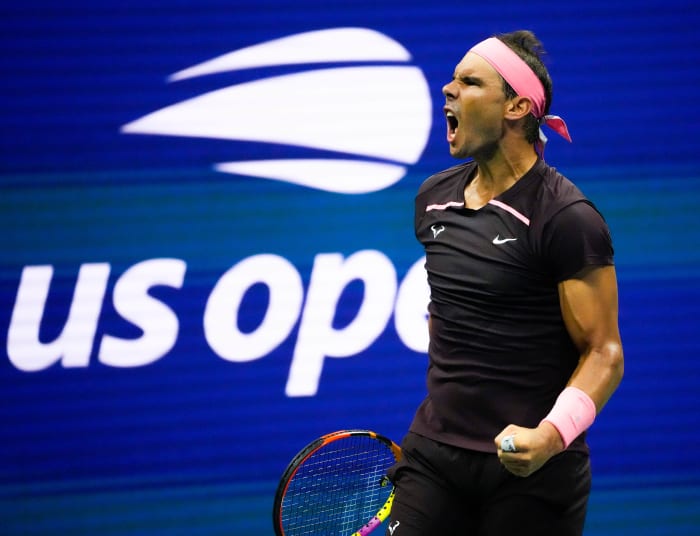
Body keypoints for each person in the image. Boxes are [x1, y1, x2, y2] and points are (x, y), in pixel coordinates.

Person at [385, 30, 624, 536]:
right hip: (435, 456)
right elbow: (449, 310)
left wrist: (551, 436)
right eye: (451, 79)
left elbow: (604, 352)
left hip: (533, 474)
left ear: (516, 107)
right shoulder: (433, 200)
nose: (448, 90)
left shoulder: (567, 218)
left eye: (469, 82)